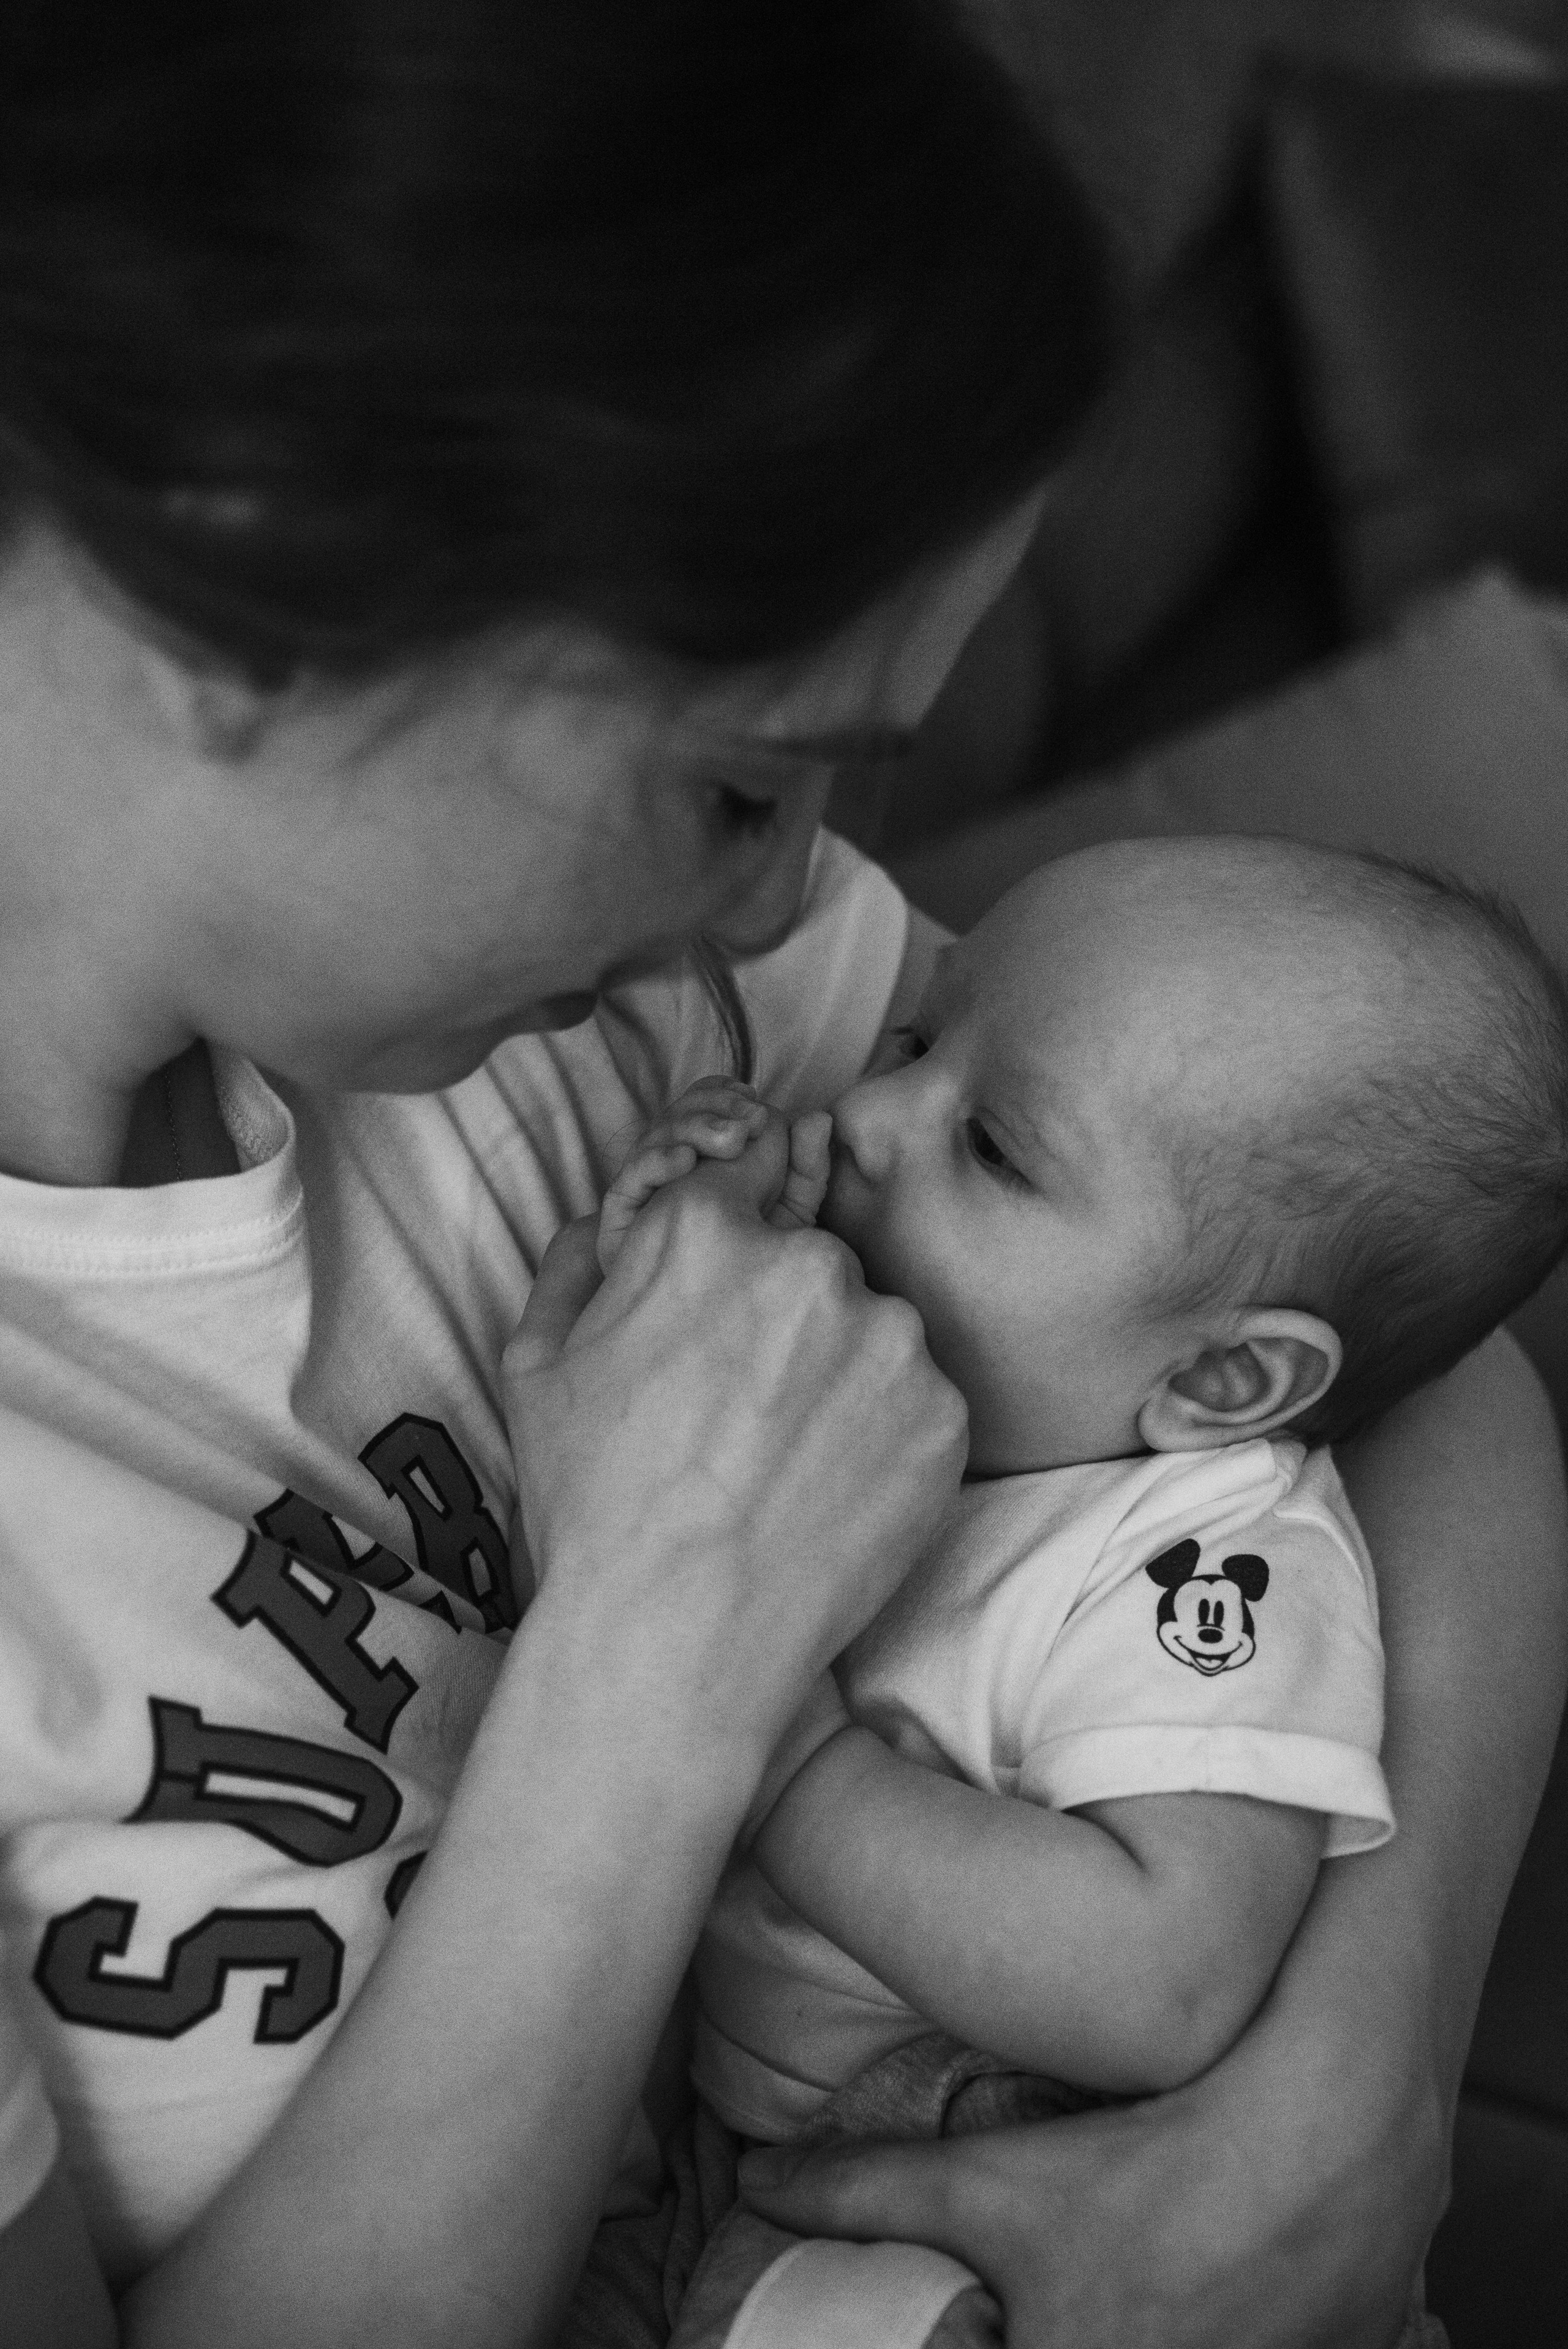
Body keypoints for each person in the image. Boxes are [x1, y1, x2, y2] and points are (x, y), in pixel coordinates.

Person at [0, 10, 1561, 2349]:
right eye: (740, 787)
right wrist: (670, 1647)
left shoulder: (607, 1004)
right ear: (253, 578)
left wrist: (1358, 2066)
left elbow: (1374, 1317)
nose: (779, 915)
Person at [565, 836, 1568, 2347]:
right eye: (912, 1040)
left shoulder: (1203, 1563)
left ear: (1223, 1377)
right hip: (750, 2154)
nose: (867, 1108)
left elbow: (1154, 1978)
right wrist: (685, 1224)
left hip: (1005, 2157)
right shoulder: (987, 1391)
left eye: (995, 1149)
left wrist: (783, 1762)